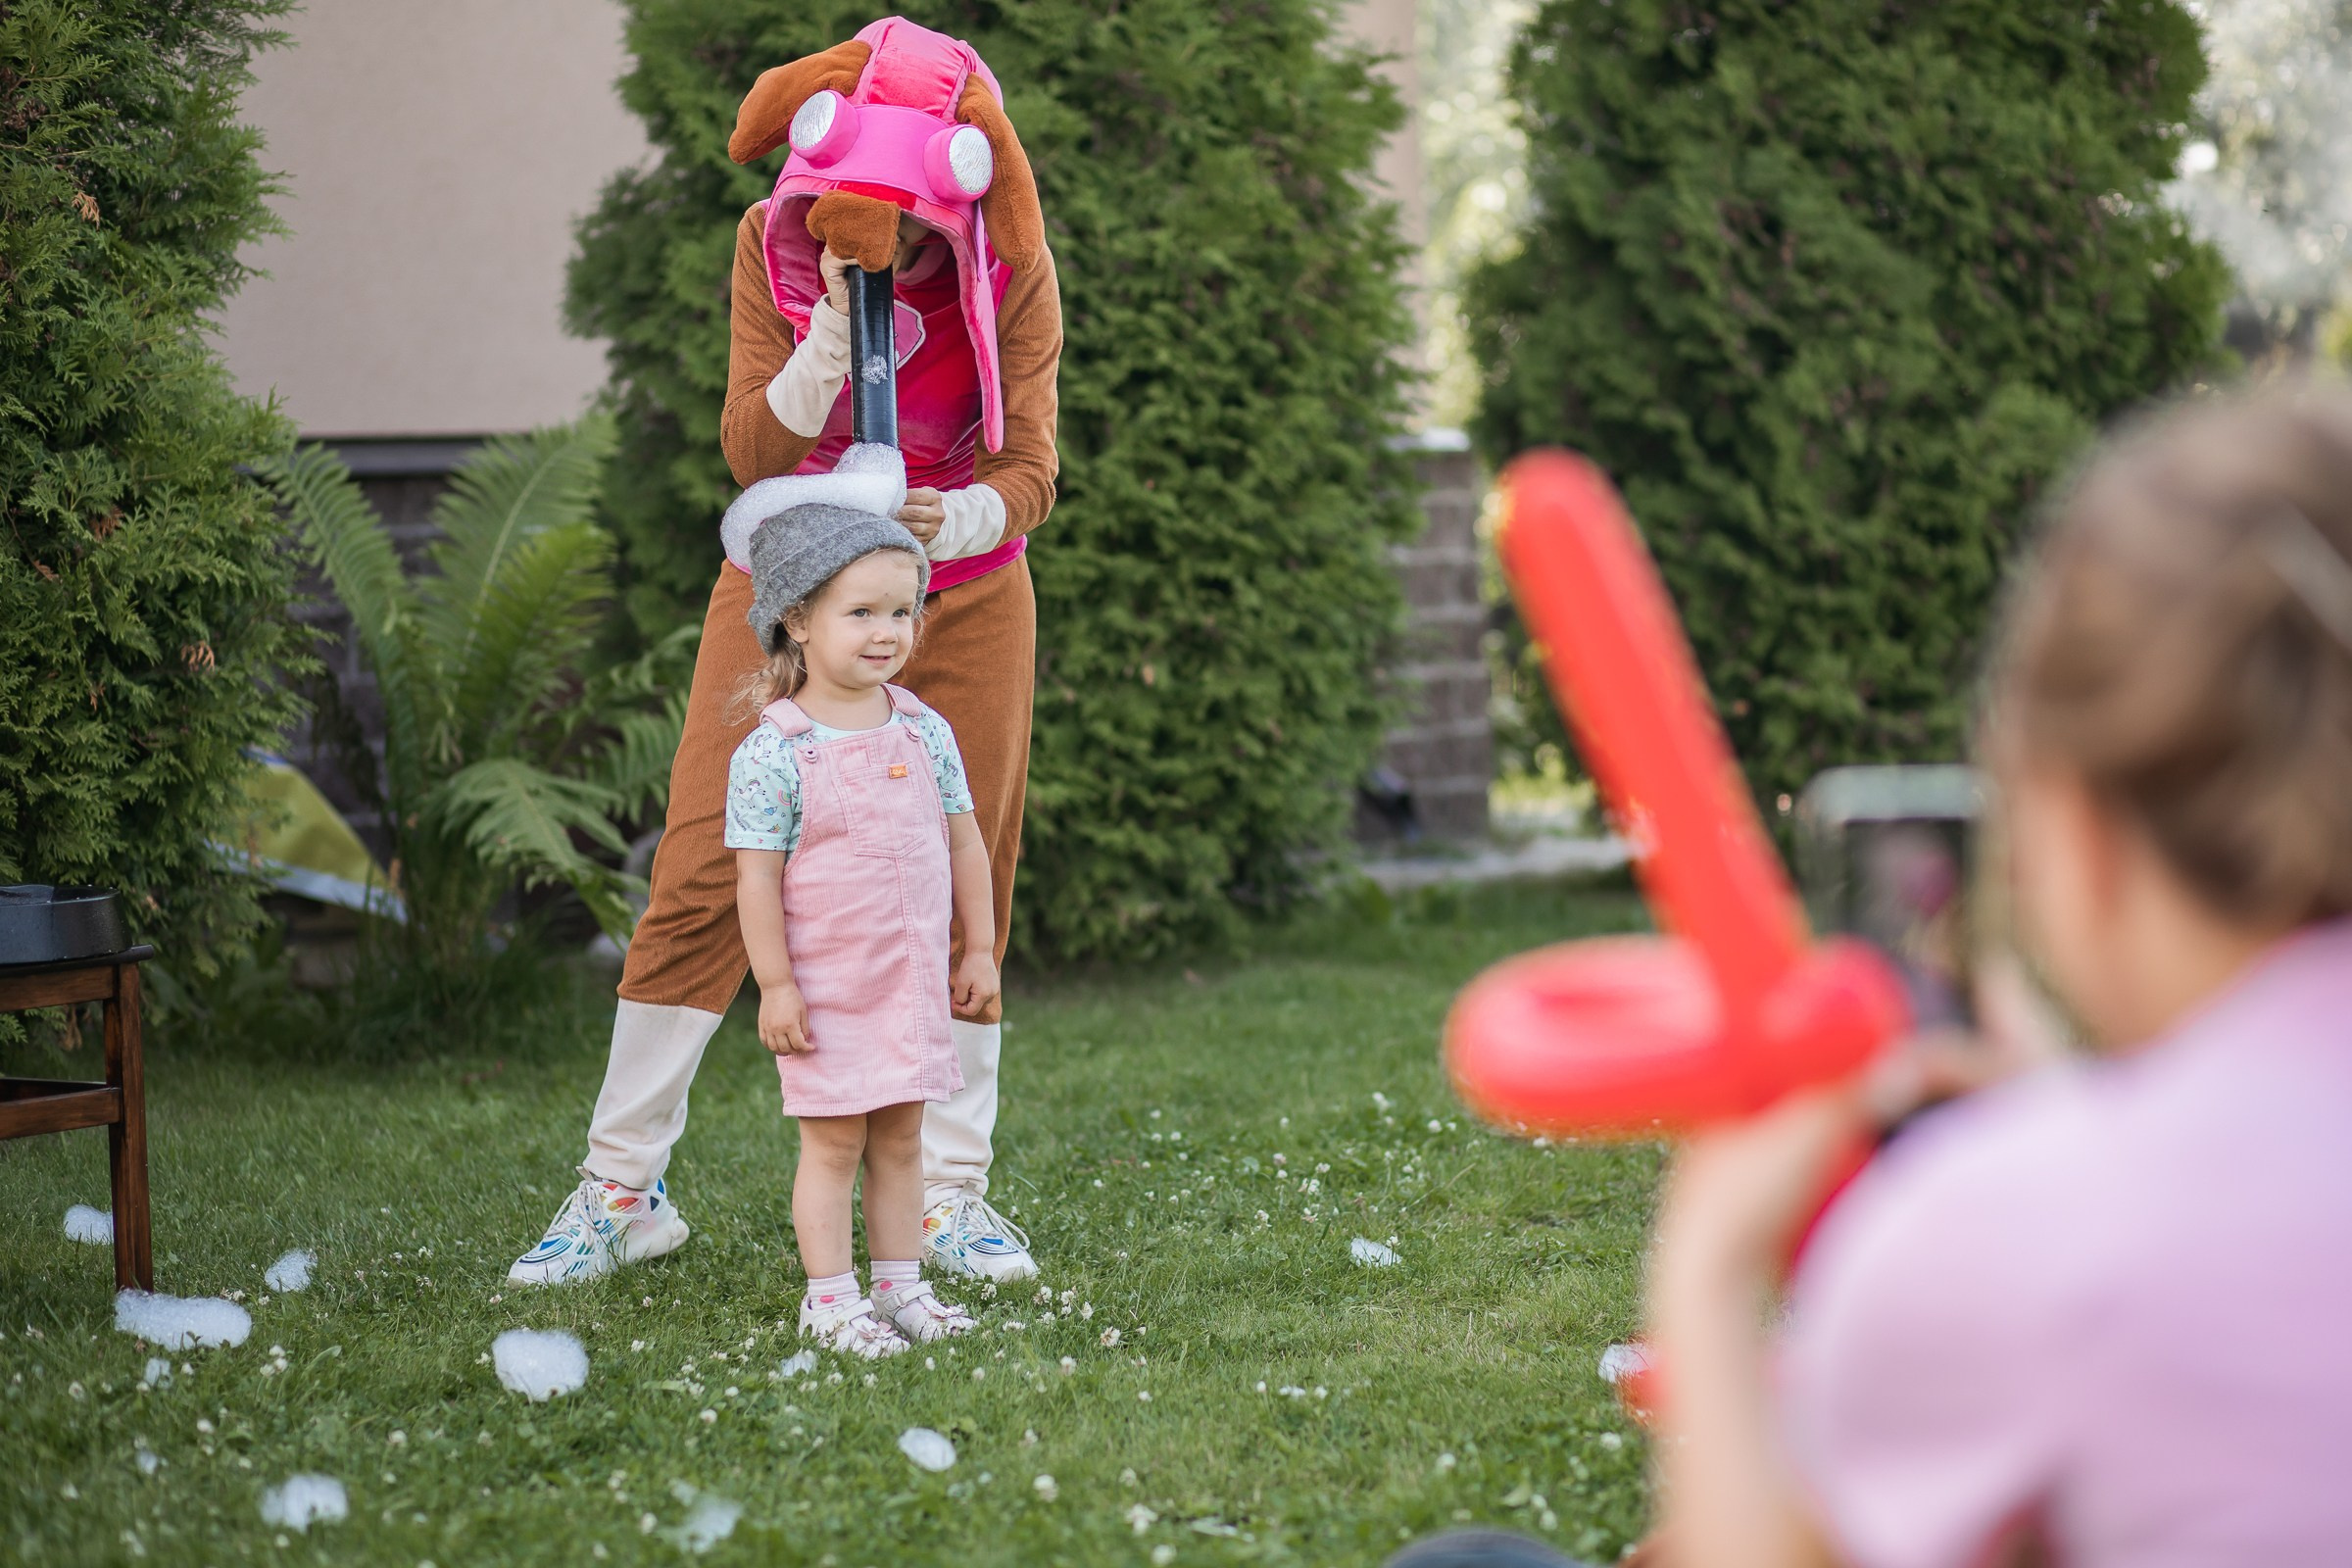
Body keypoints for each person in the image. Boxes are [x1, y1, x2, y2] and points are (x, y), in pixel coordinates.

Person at [1392, 384, 2352, 1567]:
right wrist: (2066, 1122)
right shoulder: (2070, 1200)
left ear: (2079, 835)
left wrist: (1711, 1261)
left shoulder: (2014, 1236)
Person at [510, 17, 1059, 1288]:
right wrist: (818, 363)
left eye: (900, 221)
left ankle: (949, 1198)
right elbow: (752, 455)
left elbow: (1030, 468)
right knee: (704, 862)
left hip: (962, 594)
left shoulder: (1006, 268)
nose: (869, 241)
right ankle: (619, 1188)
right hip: (786, 586)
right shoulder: (772, 240)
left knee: (959, 864)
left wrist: (963, 514)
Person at [726, 500, 988, 1356]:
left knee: (903, 1138)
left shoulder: (922, 726)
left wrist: (979, 949)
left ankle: (900, 1287)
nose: (887, 632)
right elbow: (757, 880)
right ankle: (830, 1300)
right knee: (835, 1143)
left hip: (907, 978)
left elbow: (963, 841)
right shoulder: (777, 750)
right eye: (861, 611)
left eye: (902, 611)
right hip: (830, 987)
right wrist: (775, 985)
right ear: (797, 620)